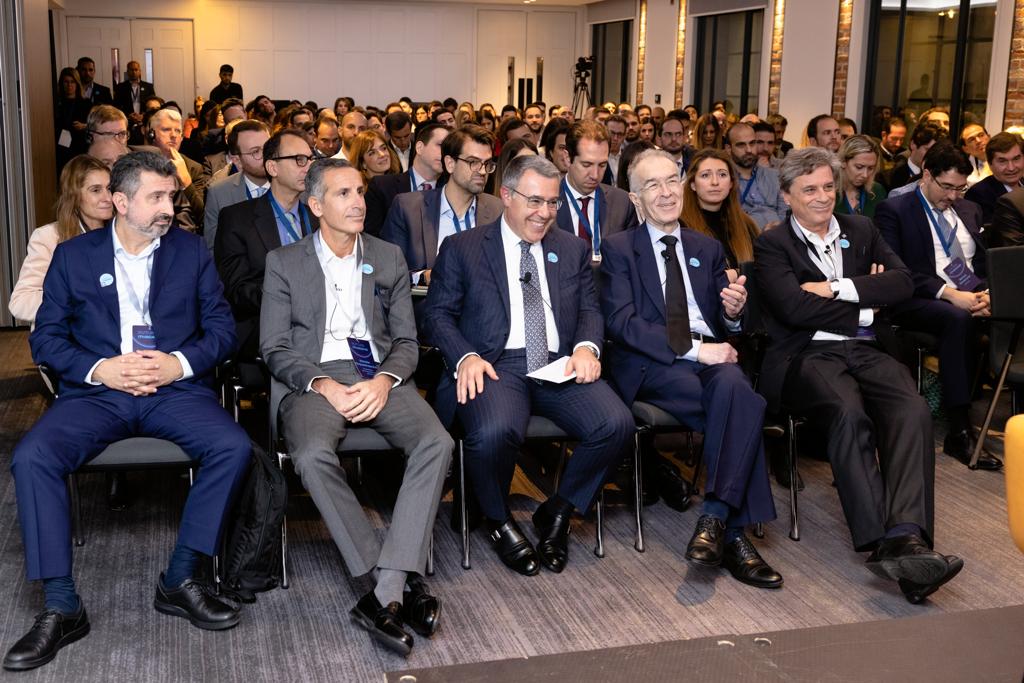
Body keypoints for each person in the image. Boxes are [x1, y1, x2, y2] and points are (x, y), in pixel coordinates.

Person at [3, 152, 251, 672]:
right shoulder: (73, 256)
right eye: (155, 197)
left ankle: (180, 578)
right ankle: (61, 605)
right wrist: (101, 369)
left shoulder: (190, 251)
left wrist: (178, 363)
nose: (169, 208)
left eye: (171, 196)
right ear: (120, 201)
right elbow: (47, 339)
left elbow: (222, 330)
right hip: (98, 393)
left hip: (173, 391)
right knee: (32, 457)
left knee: (233, 447)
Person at [754, 147, 964, 604]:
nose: (822, 197)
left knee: (912, 409)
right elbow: (792, 309)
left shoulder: (861, 228)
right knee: (848, 412)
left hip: (868, 349)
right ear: (787, 196)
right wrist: (867, 307)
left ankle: (904, 536)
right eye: (810, 189)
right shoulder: (773, 245)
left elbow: (903, 281)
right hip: (808, 355)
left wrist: (835, 288)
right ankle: (889, 542)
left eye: (829, 186)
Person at [260, 159, 451, 656]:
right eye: (343, 193)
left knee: (436, 442)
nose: (358, 202)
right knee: (310, 455)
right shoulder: (284, 261)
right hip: (314, 378)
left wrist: (385, 381)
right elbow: (274, 347)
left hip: (378, 375)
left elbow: (406, 341)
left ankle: (385, 587)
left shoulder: (388, 256)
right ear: (315, 205)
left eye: (361, 192)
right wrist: (323, 384)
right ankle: (391, 578)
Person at [422, 155, 634, 576]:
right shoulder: (463, 247)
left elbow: (590, 310)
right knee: (495, 431)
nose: (545, 213)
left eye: (553, 202)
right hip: (496, 363)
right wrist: (465, 356)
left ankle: (558, 511)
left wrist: (587, 348)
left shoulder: (571, 248)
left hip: (558, 364)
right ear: (506, 195)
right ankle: (499, 520)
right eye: (535, 201)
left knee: (616, 424)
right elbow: (437, 315)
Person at [600, 149, 781, 589]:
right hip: (653, 364)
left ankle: (715, 520)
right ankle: (733, 535)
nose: (666, 193)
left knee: (734, 393)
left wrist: (733, 313)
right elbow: (623, 324)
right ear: (635, 199)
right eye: (652, 185)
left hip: (711, 359)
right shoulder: (620, 249)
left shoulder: (706, 247)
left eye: (671, 180)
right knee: (742, 402)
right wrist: (696, 351)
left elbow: (724, 320)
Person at [875, 143, 1001, 470]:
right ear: (927, 175)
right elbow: (899, 270)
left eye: (961, 188)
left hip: (971, 294)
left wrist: (987, 293)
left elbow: (981, 263)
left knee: (1007, 314)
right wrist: (949, 294)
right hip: (917, 299)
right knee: (958, 319)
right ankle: (959, 429)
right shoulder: (896, 210)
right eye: (947, 187)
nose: (954, 196)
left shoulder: (969, 209)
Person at [216, 129, 319, 359]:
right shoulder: (237, 219)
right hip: (264, 329)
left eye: (310, 159)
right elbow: (236, 291)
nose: (308, 167)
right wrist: (290, 291)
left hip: (321, 326)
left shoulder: (318, 216)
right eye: (299, 160)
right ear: (272, 167)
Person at [381, 126, 502, 287]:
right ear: (450, 164)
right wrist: (425, 277)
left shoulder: (497, 209)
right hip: (428, 300)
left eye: (487, 164)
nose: (482, 171)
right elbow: (388, 271)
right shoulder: (408, 208)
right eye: (473, 162)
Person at [10, 156, 113, 323]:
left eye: (109, 188)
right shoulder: (48, 237)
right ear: (74, 196)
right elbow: (21, 301)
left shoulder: (122, 234)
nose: (107, 198)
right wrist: (79, 305)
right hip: (66, 333)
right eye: (95, 190)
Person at [555, 120, 640, 260]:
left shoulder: (622, 203)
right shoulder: (546, 201)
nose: (595, 175)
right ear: (567, 158)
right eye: (586, 164)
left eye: (602, 165)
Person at [681, 148, 759, 273]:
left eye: (722, 175)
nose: (715, 182)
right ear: (693, 184)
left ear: (731, 183)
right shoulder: (681, 226)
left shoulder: (747, 224)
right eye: (705, 175)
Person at [365, 123, 448, 236]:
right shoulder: (382, 187)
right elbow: (372, 237)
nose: (446, 153)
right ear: (419, 148)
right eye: (441, 145)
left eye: (450, 150)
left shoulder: (450, 191)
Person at [203, 120, 271, 252]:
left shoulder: (294, 184)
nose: (266, 156)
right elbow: (213, 249)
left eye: (268, 147)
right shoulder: (219, 193)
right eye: (255, 152)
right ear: (237, 161)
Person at [146, 107, 210, 233]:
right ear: (151, 134)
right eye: (166, 129)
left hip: (185, 234)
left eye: (178, 131)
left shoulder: (194, 168)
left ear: (182, 137)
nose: (173, 135)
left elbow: (204, 216)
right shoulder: (139, 164)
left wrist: (187, 183)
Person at [723, 122, 786, 230]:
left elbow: (785, 212)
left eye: (752, 143)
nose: (749, 150)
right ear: (729, 149)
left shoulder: (775, 176)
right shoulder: (723, 180)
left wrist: (778, 231)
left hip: (777, 235)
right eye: (741, 145)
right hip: (743, 235)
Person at [963, 132, 1024, 226]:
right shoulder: (978, 195)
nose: (1011, 168)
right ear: (990, 164)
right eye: (1002, 161)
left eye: (1016, 159)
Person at [886, 122, 947, 194]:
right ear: (913, 144)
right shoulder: (887, 178)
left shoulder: (945, 178)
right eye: (928, 150)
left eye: (937, 152)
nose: (933, 156)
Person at [834, 135, 887, 218]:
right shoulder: (828, 192)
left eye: (870, 168)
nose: (865, 175)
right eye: (859, 167)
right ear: (843, 162)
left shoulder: (878, 191)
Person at [54, 68, 91, 173]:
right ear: (61, 84)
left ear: (77, 83)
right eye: (66, 82)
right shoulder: (55, 103)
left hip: (79, 147)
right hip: (60, 149)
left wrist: (84, 126)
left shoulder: (86, 103)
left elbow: (95, 125)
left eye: (72, 82)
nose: (69, 85)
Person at [112, 61, 155, 131]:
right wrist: (128, 115)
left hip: (144, 122)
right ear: (127, 72)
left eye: (136, 70)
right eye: (131, 70)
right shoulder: (120, 87)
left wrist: (144, 115)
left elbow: (153, 105)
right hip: (127, 123)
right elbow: (116, 106)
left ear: (140, 71)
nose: (134, 72)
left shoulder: (148, 87)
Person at [959, 123, 990, 187]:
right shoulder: (962, 168)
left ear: (989, 137)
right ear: (966, 149)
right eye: (972, 139)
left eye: (981, 135)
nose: (978, 141)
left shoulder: (1004, 160)